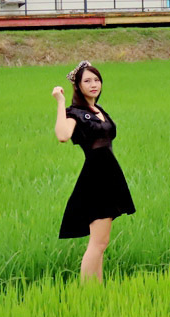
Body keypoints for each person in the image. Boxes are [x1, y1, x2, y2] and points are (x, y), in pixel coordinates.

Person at [52, 60, 136, 284]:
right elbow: (62, 135)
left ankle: (96, 290)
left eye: (96, 80)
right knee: (97, 243)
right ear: (78, 86)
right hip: (96, 177)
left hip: (109, 175)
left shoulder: (98, 110)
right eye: (87, 80)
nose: (93, 84)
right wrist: (60, 102)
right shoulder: (76, 113)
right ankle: (89, 293)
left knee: (102, 242)